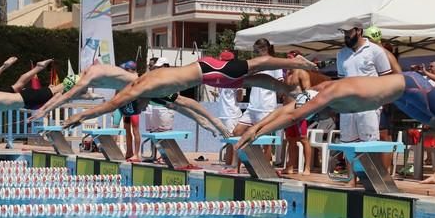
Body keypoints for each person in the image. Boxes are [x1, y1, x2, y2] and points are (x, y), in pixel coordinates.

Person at [235, 71, 435, 162]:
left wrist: (258, 133)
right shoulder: (317, 91)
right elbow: (288, 109)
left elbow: (293, 115)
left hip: (411, 86)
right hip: (401, 96)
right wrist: (256, 128)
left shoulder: (326, 95)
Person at [61, 44, 316, 129]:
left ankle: (296, 62)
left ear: (134, 102)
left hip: (207, 69)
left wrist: (80, 116)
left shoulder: (138, 89)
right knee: (258, 81)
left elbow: (108, 106)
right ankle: (293, 92)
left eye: (138, 108)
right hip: (209, 78)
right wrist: (210, 123)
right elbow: (185, 104)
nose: (143, 108)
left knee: (255, 64)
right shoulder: (150, 93)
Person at [29, 60, 230, 139]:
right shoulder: (90, 76)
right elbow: (61, 96)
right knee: (176, 104)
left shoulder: (88, 78)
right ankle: (209, 123)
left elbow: (66, 97)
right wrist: (43, 110)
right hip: (137, 91)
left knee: (181, 103)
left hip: (144, 87)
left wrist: (44, 112)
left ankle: (212, 122)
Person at [336, 24, 393, 185]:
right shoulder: (341, 54)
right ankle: (351, 179)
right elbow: (341, 81)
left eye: (348, 32)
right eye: (344, 32)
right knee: (348, 144)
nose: (346, 35)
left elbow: (386, 79)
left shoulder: (375, 51)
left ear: (359, 31)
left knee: (369, 144)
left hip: (369, 105)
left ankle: (371, 179)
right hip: (348, 106)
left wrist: (382, 101)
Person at [229, 39, 282, 169]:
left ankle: (265, 167)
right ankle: (236, 165)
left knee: (266, 141)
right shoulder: (255, 63)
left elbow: (280, 86)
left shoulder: (275, 63)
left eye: (258, 49)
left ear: (266, 48)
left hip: (266, 107)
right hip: (252, 107)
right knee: (237, 132)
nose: (256, 52)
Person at [363, 25, 401, 174]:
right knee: (373, 136)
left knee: (384, 136)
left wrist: (387, 97)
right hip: (375, 100)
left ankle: (384, 173)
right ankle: (375, 172)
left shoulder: (383, 53)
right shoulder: (373, 52)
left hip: (384, 100)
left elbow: (397, 75)